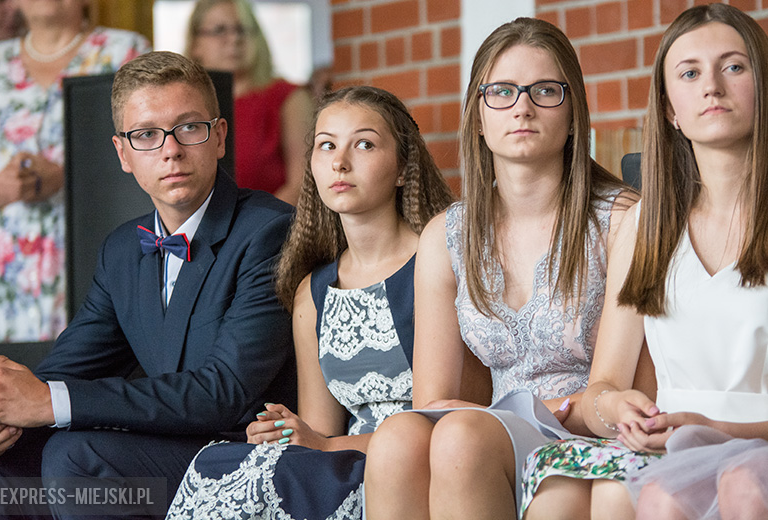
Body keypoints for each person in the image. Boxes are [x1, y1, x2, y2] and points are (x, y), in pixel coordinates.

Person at [0, 50, 296, 516]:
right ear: (123, 154)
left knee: (78, 460)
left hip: (246, 455)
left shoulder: (269, 231)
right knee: (0, 466)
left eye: (188, 128)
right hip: (163, 451)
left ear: (219, 137)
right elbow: (66, 371)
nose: (170, 150)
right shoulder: (121, 250)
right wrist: (2, 413)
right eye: (147, 135)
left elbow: (223, 393)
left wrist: (48, 402)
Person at [364, 17, 639, 520]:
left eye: (545, 91)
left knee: (462, 436)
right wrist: (495, 418)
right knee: (396, 437)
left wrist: (513, 414)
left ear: (574, 114)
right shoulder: (447, 235)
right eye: (502, 92)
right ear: (478, 116)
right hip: (489, 431)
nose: (522, 107)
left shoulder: (620, 220)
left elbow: (615, 392)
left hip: (586, 431)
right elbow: (433, 400)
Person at [166, 85, 460, 519]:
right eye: (326, 145)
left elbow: (450, 421)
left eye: (364, 144)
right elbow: (320, 430)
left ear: (403, 168)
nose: (340, 162)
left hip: (420, 470)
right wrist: (289, 433)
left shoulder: (439, 263)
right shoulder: (313, 291)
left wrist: (324, 445)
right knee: (225, 462)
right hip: (341, 464)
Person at [521, 4, 768, 520]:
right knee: (649, 494)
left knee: (743, 484)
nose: (712, 86)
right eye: (690, 73)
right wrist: (619, 410)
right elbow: (604, 386)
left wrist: (717, 430)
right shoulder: (646, 226)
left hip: (753, 444)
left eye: (734, 66)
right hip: (676, 444)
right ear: (670, 108)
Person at [0, 0, 150, 343]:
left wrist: (66, 178)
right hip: (6, 275)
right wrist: (4, 187)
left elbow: (153, 156)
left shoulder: (124, 51)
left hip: (95, 255)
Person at [185, 0, 314, 205]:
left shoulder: (289, 97)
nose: (234, 39)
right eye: (220, 30)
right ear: (195, 44)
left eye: (241, 29)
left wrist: (257, 222)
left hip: (275, 221)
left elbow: (303, 184)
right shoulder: (185, 104)